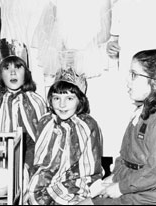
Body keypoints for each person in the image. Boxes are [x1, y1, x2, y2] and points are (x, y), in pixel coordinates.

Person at [33, 0, 129, 161]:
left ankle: (97, 163)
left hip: (93, 63)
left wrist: (82, 54)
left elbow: (104, 34)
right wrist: (61, 53)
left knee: (96, 112)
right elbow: (47, 30)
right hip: (65, 62)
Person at [92, 49, 156, 205]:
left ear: (155, 83)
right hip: (129, 183)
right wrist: (112, 178)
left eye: (134, 74)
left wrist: (120, 187)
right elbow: (126, 154)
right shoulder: (142, 112)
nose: (127, 80)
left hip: (147, 196)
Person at [27, 68, 103, 205]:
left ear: (80, 100)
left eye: (69, 98)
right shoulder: (46, 122)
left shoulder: (87, 124)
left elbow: (89, 166)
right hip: (46, 179)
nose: (62, 105)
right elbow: (40, 158)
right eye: (57, 98)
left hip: (76, 181)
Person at [0, 55, 48, 170]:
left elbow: (40, 140)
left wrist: (26, 166)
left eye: (18, 67)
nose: (13, 72)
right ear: (1, 75)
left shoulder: (36, 101)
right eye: (7, 68)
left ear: (26, 74)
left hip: (29, 160)